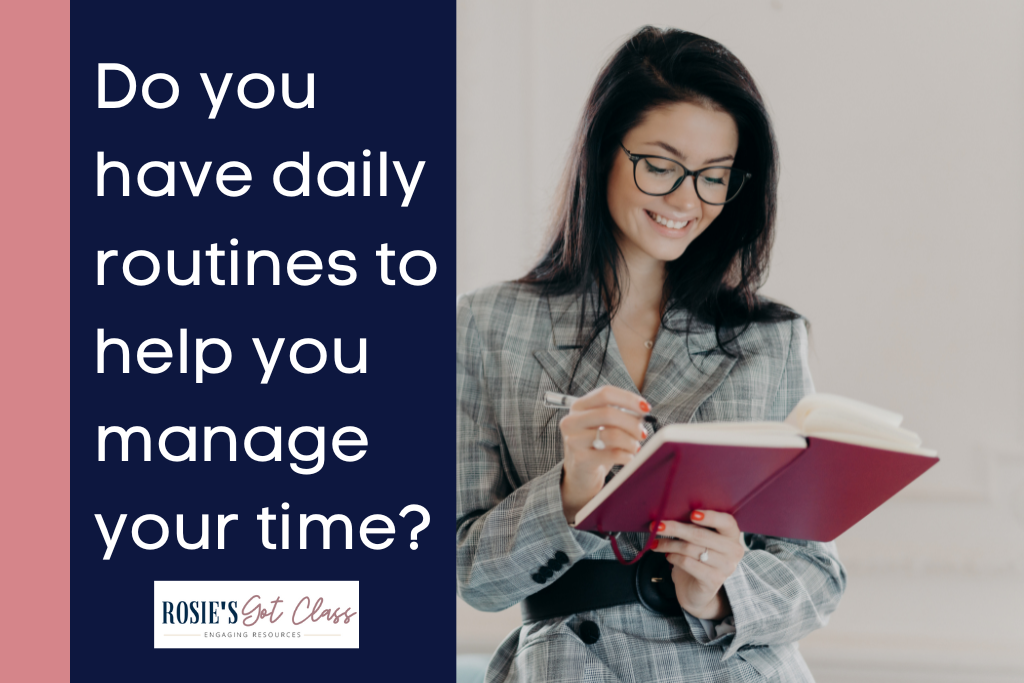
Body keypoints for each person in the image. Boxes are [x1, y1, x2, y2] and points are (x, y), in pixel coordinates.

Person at [457, 26, 846, 683]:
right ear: (602, 152)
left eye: (714, 176)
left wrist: (721, 588)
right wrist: (569, 492)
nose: (687, 200)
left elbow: (817, 572)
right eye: (661, 166)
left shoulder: (769, 339)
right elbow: (469, 573)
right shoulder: (487, 326)